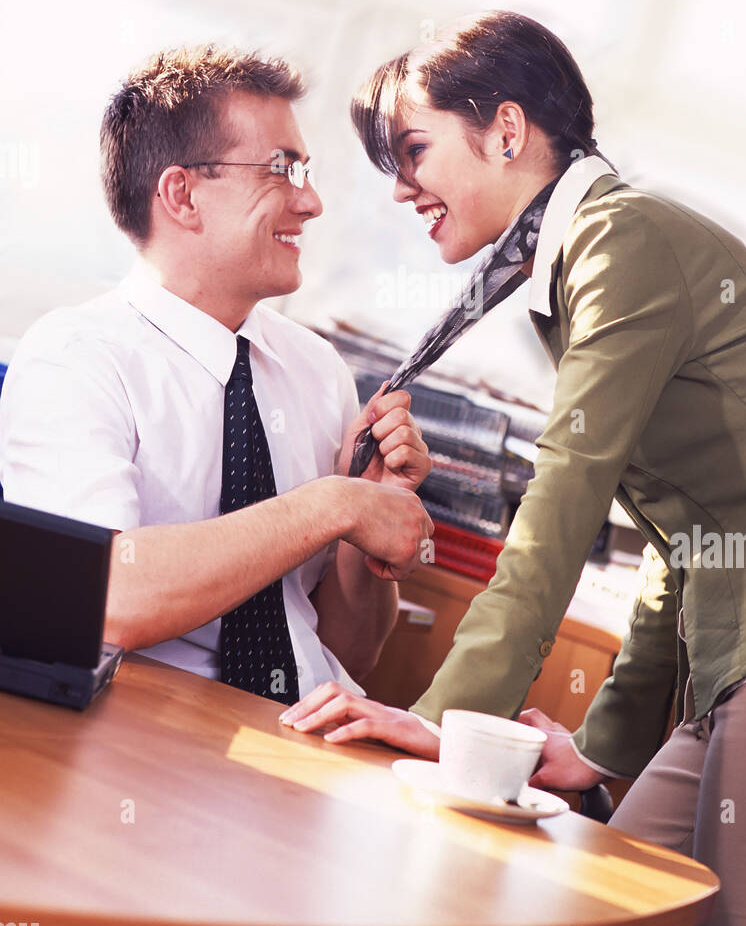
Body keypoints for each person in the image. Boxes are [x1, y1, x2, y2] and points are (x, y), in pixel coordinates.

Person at [281, 10, 746, 926]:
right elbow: (677, 536)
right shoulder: (585, 262)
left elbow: (561, 505)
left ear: (506, 132)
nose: (400, 190)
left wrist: (447, 723)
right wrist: (600, 751)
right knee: (598, 914)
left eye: (413, 150)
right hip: (735, 657)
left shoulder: (622, 243)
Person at [0, 45, 434, 703]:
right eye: (282, 170)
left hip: (308, 728)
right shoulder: (75, 358)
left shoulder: (318, 372)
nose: (311, 201)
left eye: (306, 171)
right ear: (182, 194)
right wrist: (329, 505)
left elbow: (350, 652)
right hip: (148, 727)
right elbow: (107, 601)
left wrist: (366, 523)